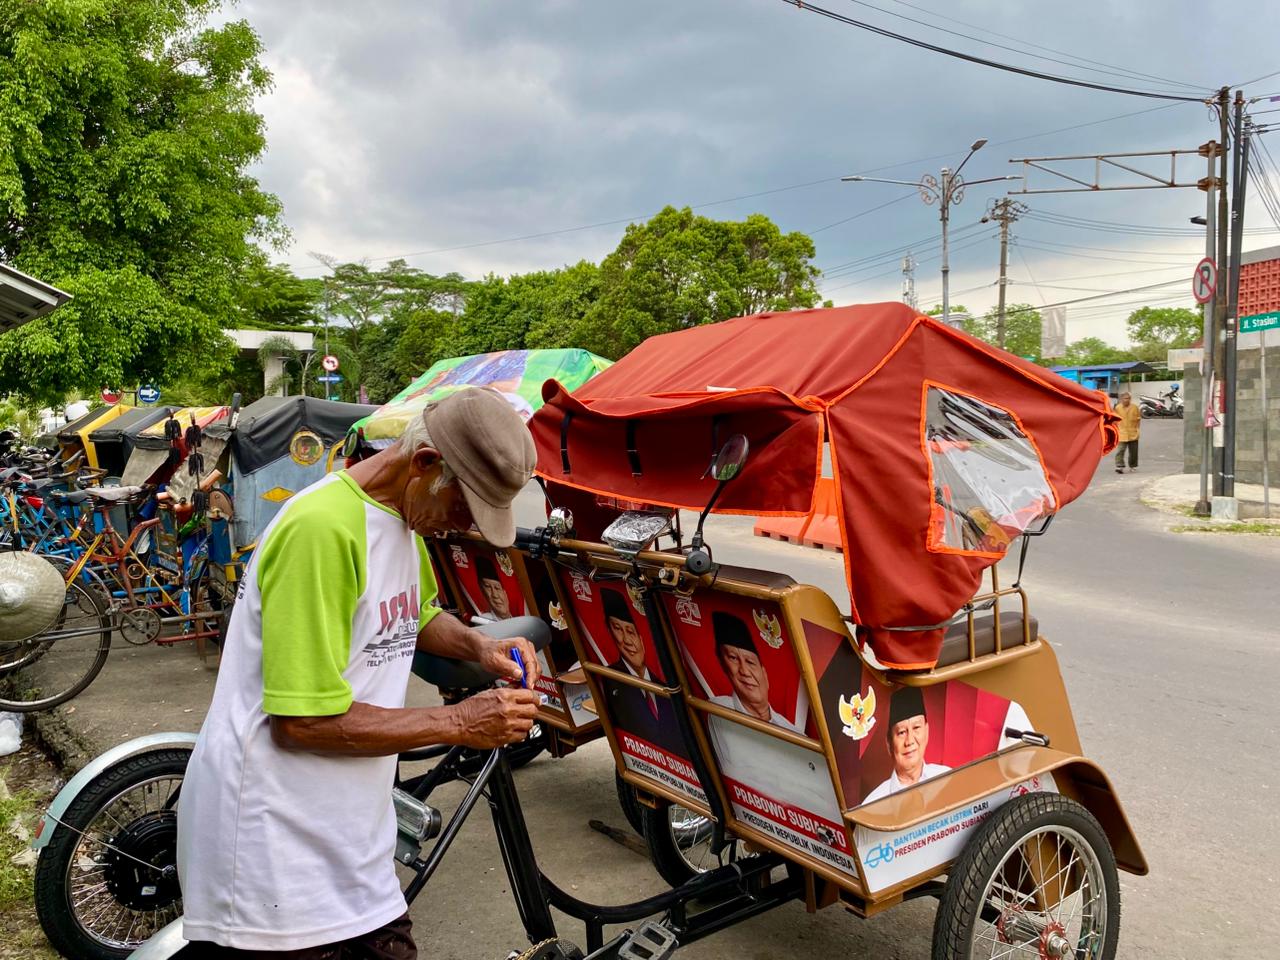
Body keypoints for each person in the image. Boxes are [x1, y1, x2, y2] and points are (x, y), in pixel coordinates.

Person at [175, 388, 542, 957]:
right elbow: (301, 722)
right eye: (464, 506)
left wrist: (478, 645)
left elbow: (413, 613)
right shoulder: (323, 530)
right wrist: (462, 722)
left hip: (350, 832)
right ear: (424, 465)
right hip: (273, 843)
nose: (460, 526)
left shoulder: (403, 519)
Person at [599, 588, 684, 755]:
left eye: (631, 631)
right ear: (609, 632)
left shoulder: (665, 687)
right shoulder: (609, 679)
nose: (627, 640)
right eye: (617, 629)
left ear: (642, 638)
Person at [707, 611, 800, 732]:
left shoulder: (792, 732)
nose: (744, 671)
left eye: (750, 662)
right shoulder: (718, 709)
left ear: (765, 675)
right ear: (723, 665)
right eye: (733, 658)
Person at [863, 687, 951, 803]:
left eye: (916, 728)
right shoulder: (873, 804)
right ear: (889, 743)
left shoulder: (948, 780)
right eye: (901, 732)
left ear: (927, 730)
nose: (909, 741)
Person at [474, 552, 513, 620]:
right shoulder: (483, 619)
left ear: (505, 593)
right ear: (483, 592)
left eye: (497, 588)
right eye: (488, 587)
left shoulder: (521, 618)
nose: (495, 595)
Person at [1113, 391, 1141, 474]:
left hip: (1133, 432)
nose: (1127, 400)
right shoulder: (1118, 408)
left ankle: (1132, 466)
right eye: (1125, 398)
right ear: (1121, 399)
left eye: (1128, 398)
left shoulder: (1135, 407)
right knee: (1120, 450)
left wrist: (1138, 430)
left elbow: (1138, 419)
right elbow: (1115, 420)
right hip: (1122, 432)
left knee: (1133, 452)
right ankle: (1119, 466)